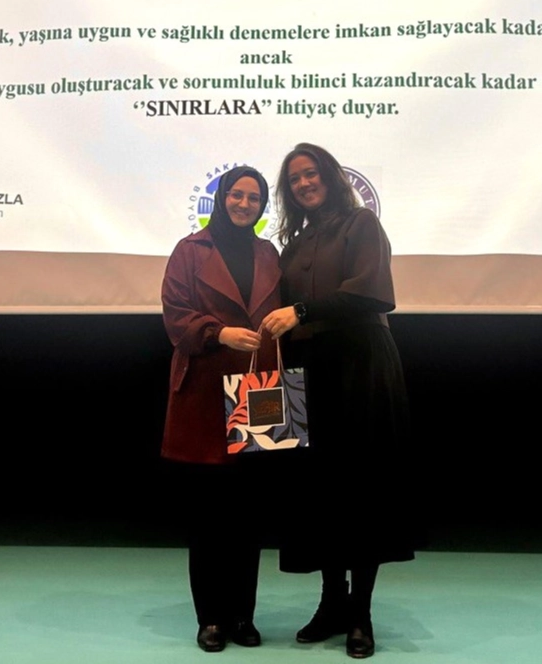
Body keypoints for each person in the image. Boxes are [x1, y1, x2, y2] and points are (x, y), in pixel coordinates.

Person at [261, 143, 415, 659]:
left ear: (329, 176)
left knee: (362, 488)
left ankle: (360, 613)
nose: (304, 184)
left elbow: (372, 292)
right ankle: (331, 603)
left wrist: (301, 312)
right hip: (308, 371)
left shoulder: (361, 224)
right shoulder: (292, 245)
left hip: (359, 364)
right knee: (320, 492)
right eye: (295, 179)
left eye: (311, 174)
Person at [160, 165, 281, 652]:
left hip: (257, 389)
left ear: (262, 206)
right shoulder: (189, 250)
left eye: (254, 198)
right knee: (209, 516)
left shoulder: (269, 253)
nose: (244, 204)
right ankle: (210, 618)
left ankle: (243, 616)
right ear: (221, 198)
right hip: (206, 393)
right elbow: (175, 315)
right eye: (237, 195)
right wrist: (218, 333)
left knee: (248, 516)